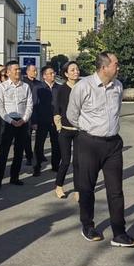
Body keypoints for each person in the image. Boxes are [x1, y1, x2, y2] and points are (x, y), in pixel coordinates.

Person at [67, 51, 134, 247]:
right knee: (87, 188)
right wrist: (89, 130)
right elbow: (71, 115)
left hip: (113, 144)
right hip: (89, 143)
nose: (119, 67)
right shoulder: (84, 86)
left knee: (116, 190)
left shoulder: (118, 86)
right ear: (104, 67)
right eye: (116, 64)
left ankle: (119, 233)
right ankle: (88, 226)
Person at [0, 61, 33, 189]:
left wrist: (24, 119)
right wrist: (10, 120)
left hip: (22, 122)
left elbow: (29, 105)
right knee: (3, 152)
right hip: (8, 122)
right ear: (8, 72)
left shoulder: (25, 87)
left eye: (19, 69)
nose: (18, 72)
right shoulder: (2, 87)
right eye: (15, 69)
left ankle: (15, 177)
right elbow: (0, 107)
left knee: (19, 152)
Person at [54, 61, 81, 200]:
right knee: (65, 161)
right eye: (72, 70)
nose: (76, 71)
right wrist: (59, 127)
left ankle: (78, 189)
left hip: (79, 130)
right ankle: (59, 186)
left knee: (78, 162)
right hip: (65, 129)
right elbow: (56, 109)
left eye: (77, 69)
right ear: (66, 74)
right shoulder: (61, 89)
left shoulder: (82, 87)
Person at [31, 65, 61, 176]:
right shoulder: (38, 88)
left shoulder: (59, 88)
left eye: (53, 73)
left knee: (56, 144)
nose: (53, 75)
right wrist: (34, 122)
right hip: (41, 120)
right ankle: (37, 167)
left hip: (56, 121)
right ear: (44, 76)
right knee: (39, 145)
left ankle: (55, 166)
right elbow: (34, 105)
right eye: (50, 73)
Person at [23, 64, 42, 165]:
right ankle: (29, 156)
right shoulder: (23, 83)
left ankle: (39, 154)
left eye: (36, 70)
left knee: (40, 136)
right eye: (33, 70)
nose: (35, 72)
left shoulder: (39, 83)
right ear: (27, 72)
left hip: (38, 112)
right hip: (27, 112)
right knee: (27, 136)